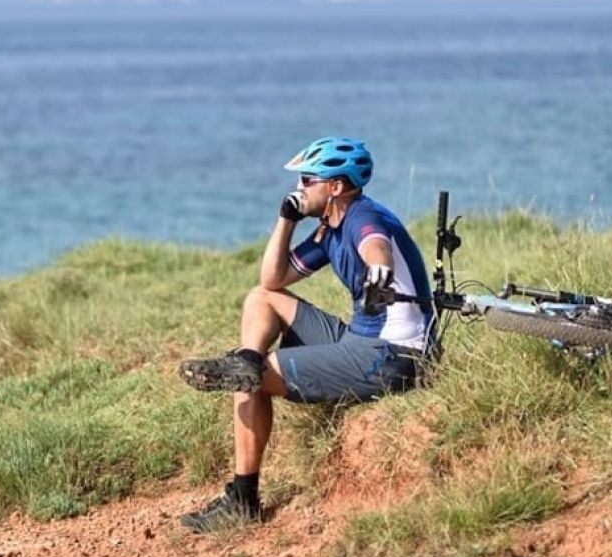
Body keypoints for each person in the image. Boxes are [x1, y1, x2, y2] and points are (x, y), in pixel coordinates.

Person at [177, 136, 434, 533]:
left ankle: (243, 501)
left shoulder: (363, 217)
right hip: (359, 340)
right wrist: (286, 219)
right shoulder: (329, 228)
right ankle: (246, 361)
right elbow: (272, 278)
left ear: (335, 187)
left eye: (307, 181)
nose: (298, 189)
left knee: (256, 381)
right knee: (261, 298)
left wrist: (378, 275)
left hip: (394, 356)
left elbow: (376, 246)